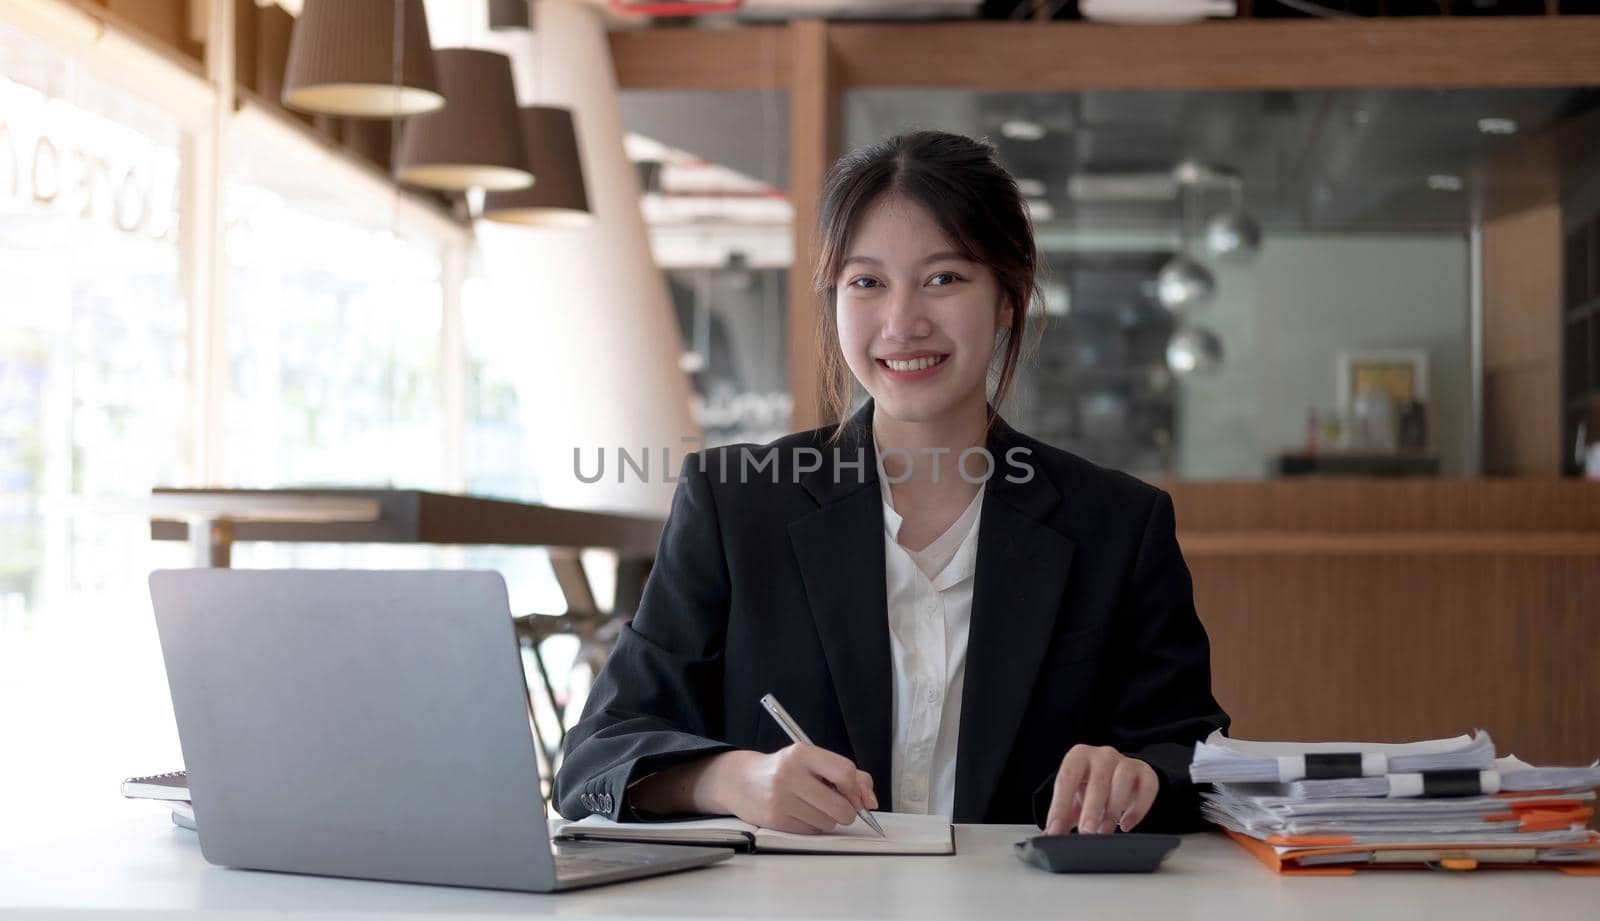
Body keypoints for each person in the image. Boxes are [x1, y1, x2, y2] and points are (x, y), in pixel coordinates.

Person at [553, 130, 1228, 836]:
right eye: (866, 282)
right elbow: (595, 756)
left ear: (1007, 296)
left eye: (943, 278)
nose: (902, 323)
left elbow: (1196, 756)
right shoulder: (735, 504)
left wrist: (1142, 774)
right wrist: (731, 778)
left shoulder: (1117, 524)